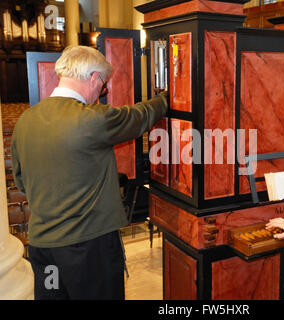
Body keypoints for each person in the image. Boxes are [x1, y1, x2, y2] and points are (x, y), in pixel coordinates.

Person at [11, 45, 168, 300]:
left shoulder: (26, 120)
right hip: (89, 247)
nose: (100, 92)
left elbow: (22, 182)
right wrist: (168, 97)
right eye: (103, 85)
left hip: (43, 247)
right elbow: (141, 116)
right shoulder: (91, 119)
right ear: (94, 77)